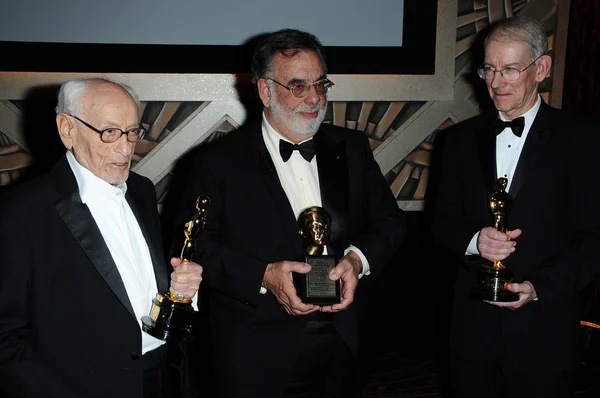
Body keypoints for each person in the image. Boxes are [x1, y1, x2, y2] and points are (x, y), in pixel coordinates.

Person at [176, 28, 406, 398]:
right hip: (257, 349)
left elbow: (389, 221)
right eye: (298, 86)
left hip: (345, 340)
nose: (314, 97)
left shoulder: (352, 147)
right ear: (265, 91)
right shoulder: (216, 163)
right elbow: (193, 248)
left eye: (320, 84)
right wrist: (264, 276)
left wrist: (357, 260)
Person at [0, 77, 203, 398]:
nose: (126, 148)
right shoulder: (19, 211)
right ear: (67, 129)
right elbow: (5, 336)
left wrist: (178, 291)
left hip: (161, 378)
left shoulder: (141, 190)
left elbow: (128, 288)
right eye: (109, 132)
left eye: (133, 131)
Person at [432, 16, 600, 398]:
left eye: (509, 69)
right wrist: (475, 241)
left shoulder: (584, 140)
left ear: (541, 68)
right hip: (471, 338)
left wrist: (539, 287)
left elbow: (595, 239)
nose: (495, 82)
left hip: (545, 335)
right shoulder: (457, 141)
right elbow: (441, 224)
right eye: (489, 69)